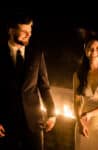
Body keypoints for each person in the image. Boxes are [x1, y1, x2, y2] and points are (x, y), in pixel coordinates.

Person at [0, 13, 56, 150]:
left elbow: (44, 86)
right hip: (6, 125)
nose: (28, 34)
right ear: (11, 30)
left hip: (34, 123)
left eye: (30, 31)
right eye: (24, 31)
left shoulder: (36, 53)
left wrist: (52, 112)